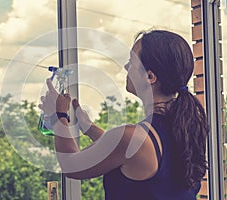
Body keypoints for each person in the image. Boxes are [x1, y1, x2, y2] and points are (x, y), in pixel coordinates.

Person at [39, 30, 208, 200]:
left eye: (132, 62)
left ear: (150, 77)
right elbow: (128, 154)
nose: (126, 67)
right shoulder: (187, 130)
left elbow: (71, 165)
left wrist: (58, 116)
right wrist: (89, 128)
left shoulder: (133, 139)